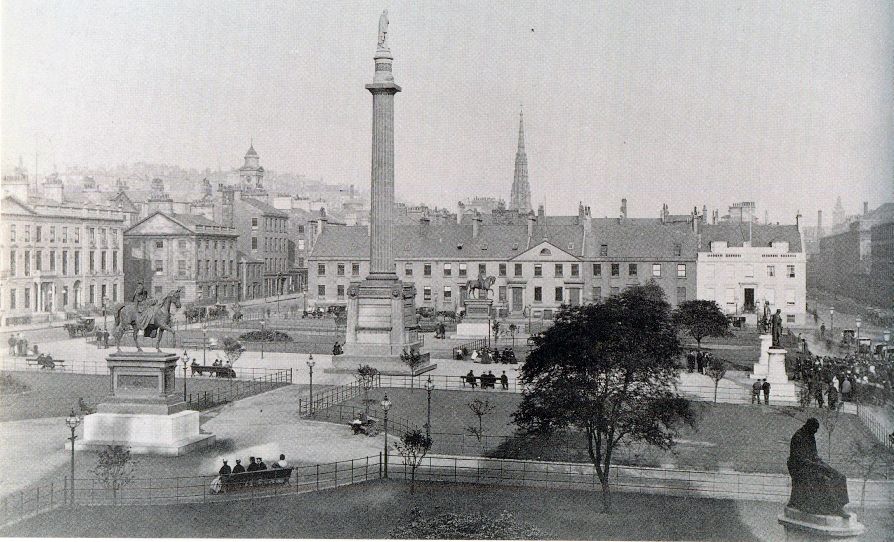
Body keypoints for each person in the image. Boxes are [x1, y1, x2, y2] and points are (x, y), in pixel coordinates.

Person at [786, 418, 850, 517]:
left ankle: (840, 505)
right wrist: (817, 465)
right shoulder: (798, 437)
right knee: (823, 479)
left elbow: (814, 454)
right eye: (815, 429)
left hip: (812, 465)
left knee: (839, 476)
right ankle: (834, 508)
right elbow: (799, 459)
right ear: (809, 426)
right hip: (800, 468)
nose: (816, 431)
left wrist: (823, 464)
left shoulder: (810, 435)